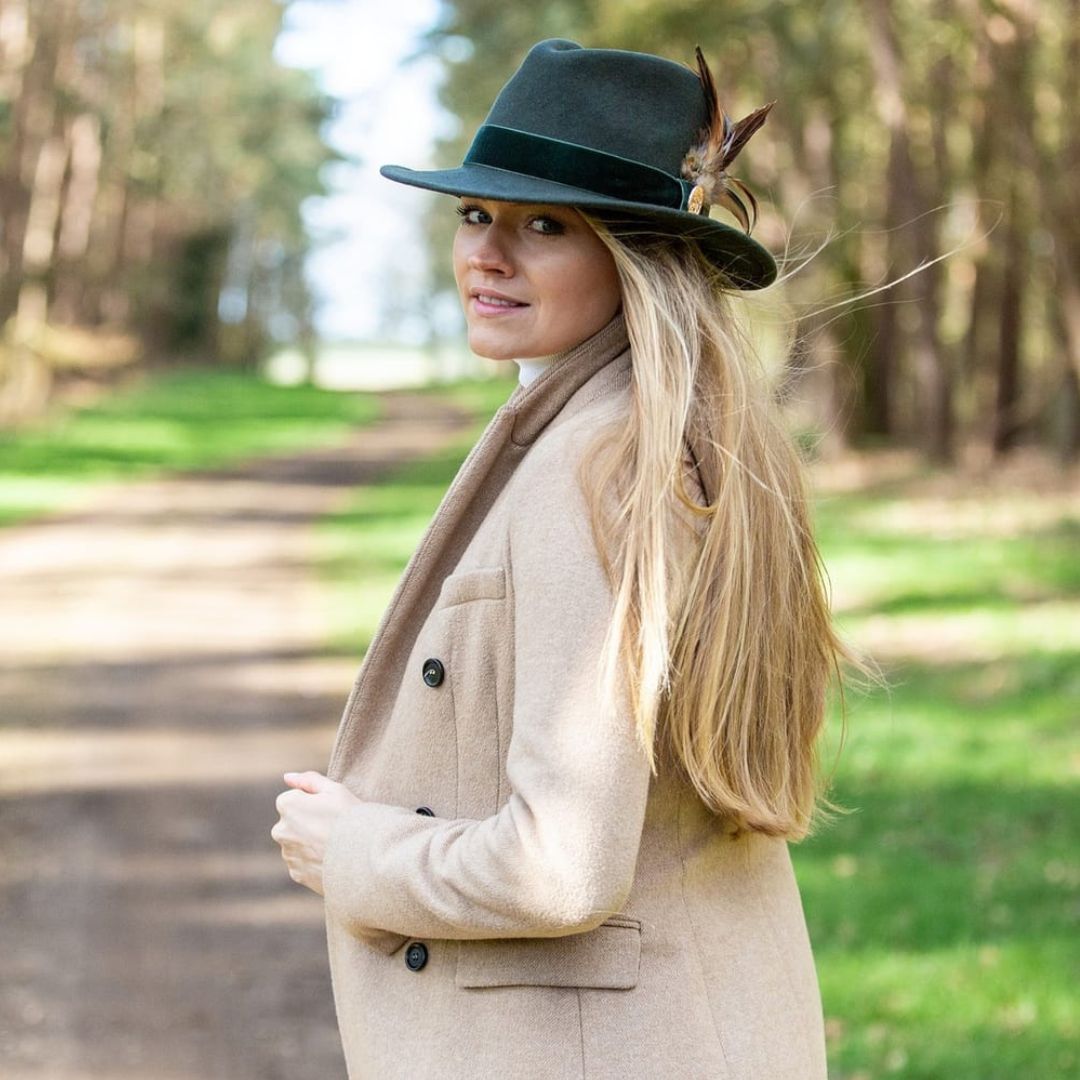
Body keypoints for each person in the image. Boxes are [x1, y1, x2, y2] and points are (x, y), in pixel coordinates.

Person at [272, 37, 862, 1079]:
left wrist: (354, 851)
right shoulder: (660, 437)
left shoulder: (596, 472)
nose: (487, 255)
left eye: (544, 225)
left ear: (634, 255)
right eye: (474, 216)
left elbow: (560, 865)